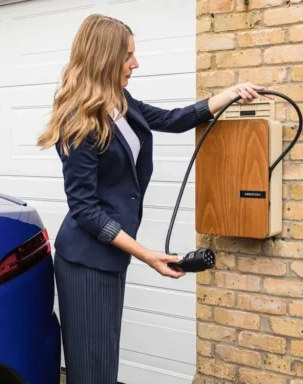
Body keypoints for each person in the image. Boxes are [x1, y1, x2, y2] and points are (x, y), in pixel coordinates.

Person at [37, 13, 270, 384]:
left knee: (102, 361)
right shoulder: (78, 120)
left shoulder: (120, 102)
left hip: (108, 258)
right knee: (91, 368)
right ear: (105, 57)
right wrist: (146, 254)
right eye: (128, 55)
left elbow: (173, 119)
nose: (135, 63)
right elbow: (85, 209)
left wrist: (227, 95)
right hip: (85, 261)